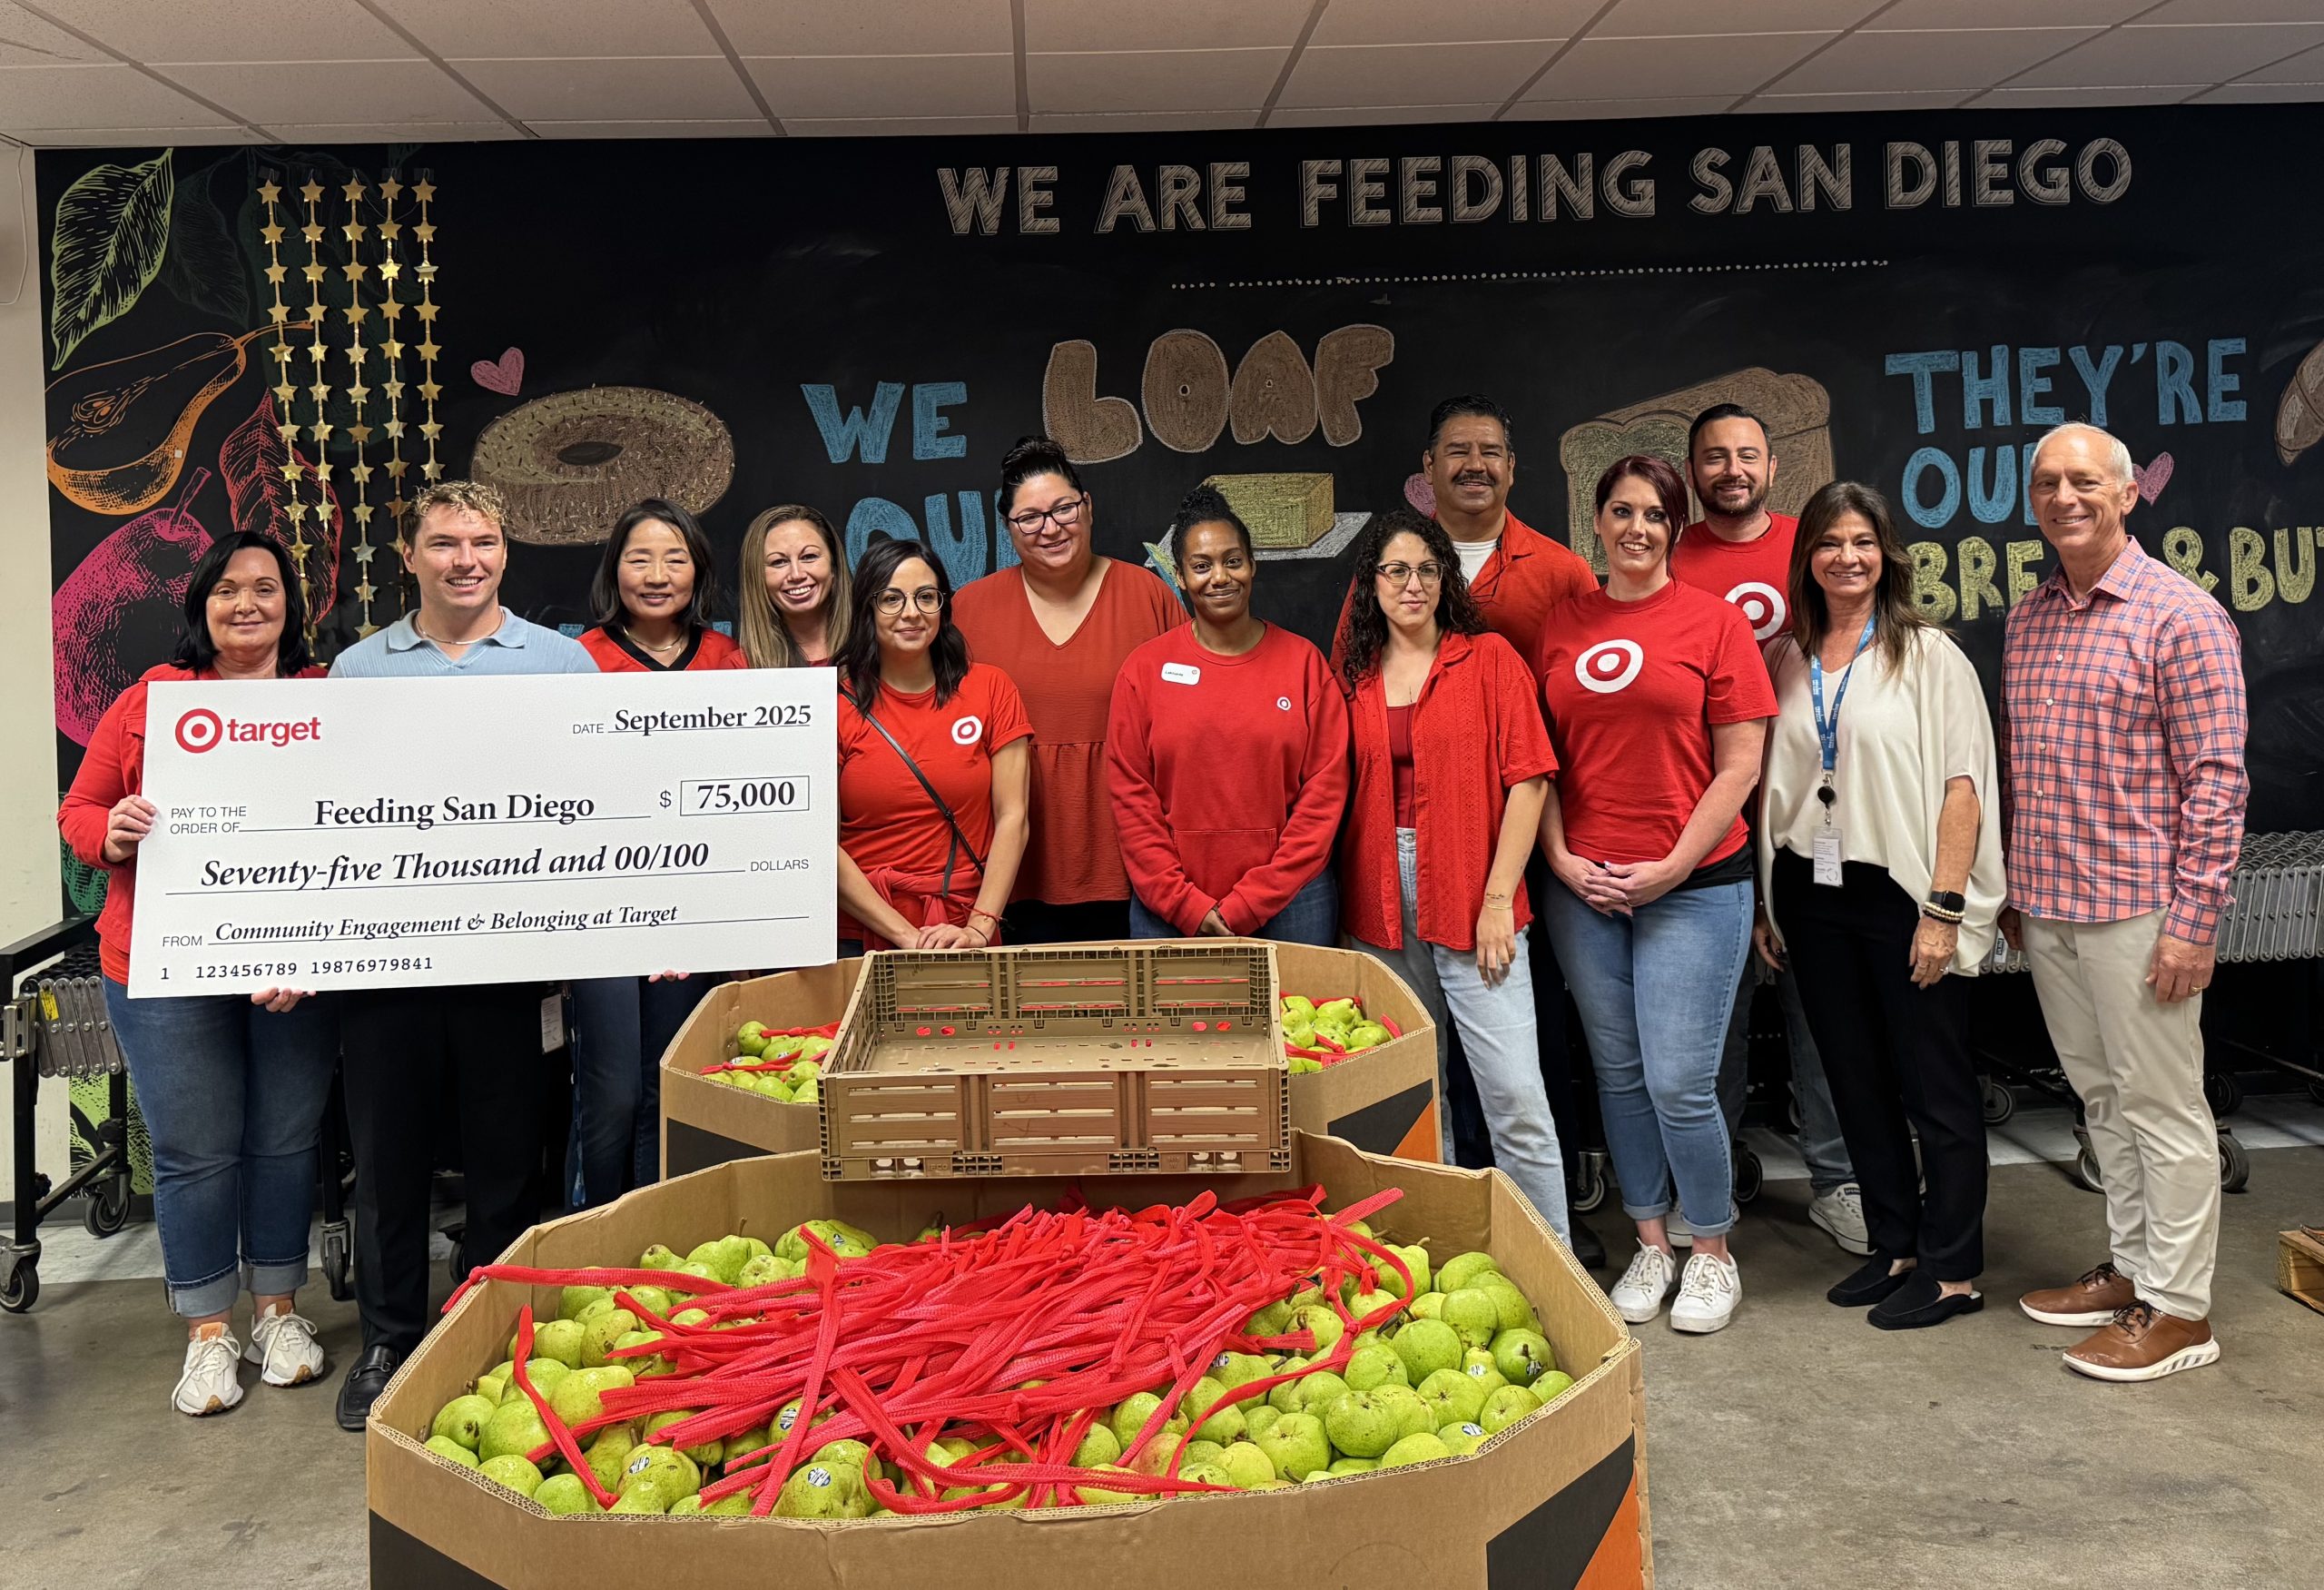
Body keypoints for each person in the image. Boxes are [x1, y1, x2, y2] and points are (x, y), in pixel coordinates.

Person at [328, 480, 598, 1429]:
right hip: (387, 970)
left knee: (505, 1163)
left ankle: (490, 1336)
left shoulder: (563, 666)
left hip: (513, 972)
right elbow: (331, 818)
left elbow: (594, 803)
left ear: (505, 554)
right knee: (390, 1165)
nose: (465, 558)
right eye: (444, 542)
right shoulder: (357, 672)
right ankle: (390, 1343)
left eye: (482, 540)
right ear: (409, 555)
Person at [57, 533, 336, 1417]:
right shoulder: (151, 701)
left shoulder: (329, 699)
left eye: (266, 588)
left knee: (287, 1138)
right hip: (162, 962)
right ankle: (209, 1332)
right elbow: (80, 810)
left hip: (293, 962)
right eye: (227, 589)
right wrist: (114, 832)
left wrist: (315, 951)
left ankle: (280, 1313)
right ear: (201, 604)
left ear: (294, 603)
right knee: (192, 1148)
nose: (247, 603)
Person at [1330, 394, 1604, 1262]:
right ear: (1370, 586)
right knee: (1413, 1096)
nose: (1411, 585)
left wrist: (1497, 901)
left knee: (1515, 1093)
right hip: (1378, 898)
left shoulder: (1487, 661)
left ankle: (1553, 1259)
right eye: (1393, 572)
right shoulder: (1357, 672)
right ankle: (1432, 1259)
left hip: (1473, 883)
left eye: (1425, 570)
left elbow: (1529, 780)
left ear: (1447, 578)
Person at [2003, 422, 2248, 1383]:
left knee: (2162, 1105)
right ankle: (2134, 1271)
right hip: (2054, 903)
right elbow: (2033, 770)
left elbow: (2217, 784)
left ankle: (2180, 1309)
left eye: (2083, 481)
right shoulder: (2031, 614)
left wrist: (2194, 921)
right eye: (2047, 483)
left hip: (2140, 912)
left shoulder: (2178, 615)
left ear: (2127, 493)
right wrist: (2022, 890)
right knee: (2102, 1098)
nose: (2064, 497)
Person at [1756, 481, 2005, 1329]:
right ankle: (1895, 1243)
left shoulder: (1930, 655)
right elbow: (1778, 787)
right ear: (1808, 558)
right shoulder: (1789, 656)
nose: (1846, 557)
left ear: (1886, 553)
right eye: (1829, 543)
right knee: (1852, 1076)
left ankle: (1953, 1267)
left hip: (1903, 891)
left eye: (1861, 541)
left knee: (1932, 1081)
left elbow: (1963, 787)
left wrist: (1944, 908)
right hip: (1812, 892)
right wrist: (1766, 903)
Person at [1535, 455, 1776, 1335]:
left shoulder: (1713, 625)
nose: (1637, 527)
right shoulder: (1561, 623)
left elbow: (1739, 763)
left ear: (1675, 528)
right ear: (1595, 521)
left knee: (1679, 1079)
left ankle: (1709, 1248)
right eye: (1621, 510)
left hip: (1695, 883)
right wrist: (1559, 858)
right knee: (1619, 1074)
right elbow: (1539, 761)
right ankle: (1650, 1240)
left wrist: (1674, 864)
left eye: (1655, 514)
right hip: (1585, 888)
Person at [1672, 402, 1866, 1258]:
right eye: (1714, 457)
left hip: (1809, 813)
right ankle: (1708, 1183)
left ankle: (1837, 1179)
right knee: (1713, 1023)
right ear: (1693, 469)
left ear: (1770, 465)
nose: (1731, 470)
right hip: (1706, 819)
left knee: (1821, 1010)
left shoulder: (1811, 544)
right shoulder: (1668, 553)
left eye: (1745, 454)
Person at [566, 499, 734, 1208]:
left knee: (677, 1083)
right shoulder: (578, 661)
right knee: (610, 1093)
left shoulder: (732, 661)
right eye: (640, 558)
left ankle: (661, 1229)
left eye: (675, 558)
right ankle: (593, 1229)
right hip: (605, 914)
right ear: (615, 569)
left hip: (700, 919)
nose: (658, 575)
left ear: (698, 570)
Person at [951, 436, 1182, 943]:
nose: (1050, 528)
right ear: (1008, 528)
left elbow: (1187, 727)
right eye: (1030, 518)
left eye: (1064, 509)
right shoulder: (969, 609)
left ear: (1089, 507)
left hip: (1131, 858)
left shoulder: (1147, 596)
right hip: (1009, 870)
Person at [1108, 485, 1348, 943]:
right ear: (1178, 576)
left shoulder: (1304, 665)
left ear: (1252, 565)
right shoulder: (1143, 671)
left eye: (1232, 561)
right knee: (1174, 1020)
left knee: (1294, 1017)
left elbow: (1324, 795)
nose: (1220, 577)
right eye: (1202, 566)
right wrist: (1185, 904)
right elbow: (1131, 800)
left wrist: (1253, 900)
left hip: (1293, 900)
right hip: (1171, 906)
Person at [835, 536, 1032, 955]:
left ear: (943, 606)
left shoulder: (990, 688)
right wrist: (907, 937)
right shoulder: (832, 704)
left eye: (927, 597)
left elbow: (1013, 816)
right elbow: (815, 841)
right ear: (867, 608)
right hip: (862, 930)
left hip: (965, 928)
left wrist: (979, 928)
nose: (911, 613)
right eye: (891, 598)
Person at [737, 504, 851, 667]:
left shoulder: (880, 654)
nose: (796, 575)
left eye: (809, 557)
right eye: (779, 562)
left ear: (834, 567)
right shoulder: (740, 668)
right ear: (757, 578)